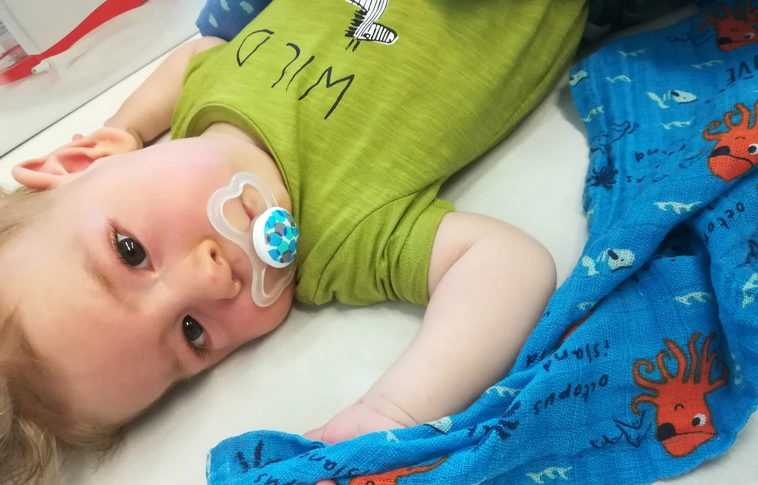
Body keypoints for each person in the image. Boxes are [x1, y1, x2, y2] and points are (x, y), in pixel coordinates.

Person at [0, 0, 588, 483]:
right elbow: (508, 266)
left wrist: (126, 127)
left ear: (82, 162)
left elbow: (197, 53)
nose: (212, 278)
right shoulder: (341, 241)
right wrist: (392, 411)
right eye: (192, 332)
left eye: (130, 252)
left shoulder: (198, 100)